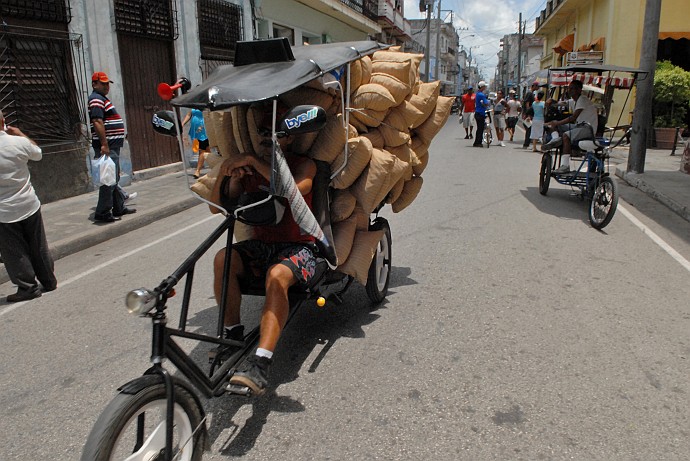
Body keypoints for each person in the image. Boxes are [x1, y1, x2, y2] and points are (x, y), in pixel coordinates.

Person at [209, 106, 318, 396]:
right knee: (224, 258)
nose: (267, 137)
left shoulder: (304, 164)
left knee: (277, 275)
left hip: (303, 246)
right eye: (261, 132)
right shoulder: (250, 167)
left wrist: (255, 164)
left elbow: (295, 191)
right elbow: (215, 206)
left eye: (275, 132)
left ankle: (261, 363)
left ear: (289, 137)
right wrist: (228, 173)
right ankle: (232, 334)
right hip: (263, 245)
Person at [0, 110, 57, 302]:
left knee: (15, 251)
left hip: (4, 211)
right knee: (38, 245)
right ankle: (48, 281)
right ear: (3, 122)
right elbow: (38, 154)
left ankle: (27, 287)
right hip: (28, 203)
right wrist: (20, 134)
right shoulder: (19, 143)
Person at [88, 71, 136, 223]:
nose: (106, 86)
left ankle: (119, 207)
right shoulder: (95, 99)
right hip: (106, 147)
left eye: (107, 83)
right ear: (94, 84)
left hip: (112, 145)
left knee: (113, 178)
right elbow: (97, 121)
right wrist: (104, 144)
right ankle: (102, 213)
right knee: (108, 179)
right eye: (103, 83)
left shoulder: (101, 99)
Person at [545, 79, 598, 173]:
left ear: (579, 90)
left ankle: (565, 166)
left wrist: (557, 123)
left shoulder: (582, 99)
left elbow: (573, 117)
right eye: (569, 88)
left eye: (572, 88)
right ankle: (555, 139)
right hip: (579, 126)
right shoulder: (574, 101)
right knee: (554, 124)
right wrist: (552, 101)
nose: (569, 90)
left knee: (565, 135)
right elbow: (562, 103)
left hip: (587, 128)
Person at [182, 109, 210, 179]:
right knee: (207, 150)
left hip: (203, 129)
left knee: (202, 150)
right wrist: (182, 124)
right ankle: (216, 167)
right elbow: (189, 115)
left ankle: (197, 171)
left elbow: (208, 115)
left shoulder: (204, 105)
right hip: (196, 130)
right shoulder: (192, 105)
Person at [522, 81, 539, 148]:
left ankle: (527, 143)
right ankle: (526, 144)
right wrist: (528, 114)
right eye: (537, 86)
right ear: (534, 86)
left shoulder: (531, 93)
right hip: (528, 114)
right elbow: (527, 103)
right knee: (529, 128)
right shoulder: (529, 93)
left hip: (529, 114)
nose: (538, 87)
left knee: (529, 129)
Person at [473, 81, 490, 147]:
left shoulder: (477, 94)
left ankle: (477, 141)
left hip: (477, 112)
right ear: (482, 87)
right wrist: (487, 103)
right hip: (480, 113)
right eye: (484, 86)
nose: (485, 87)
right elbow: (486, 103)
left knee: (479, 128)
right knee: (480, 128)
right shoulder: (481, 95)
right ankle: (477, 142)